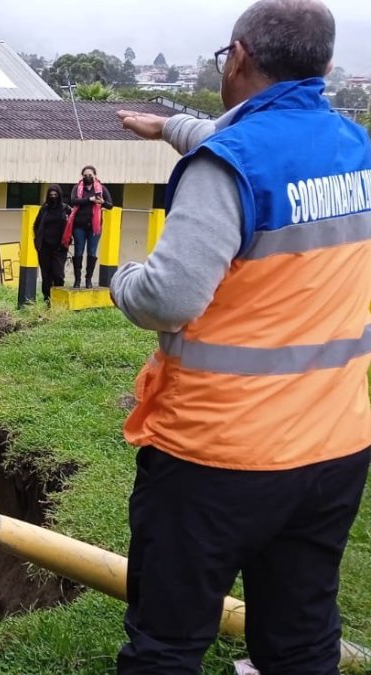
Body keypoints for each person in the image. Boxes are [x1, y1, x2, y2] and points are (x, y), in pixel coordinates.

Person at [109, 1, 371, 672]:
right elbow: (262, 150)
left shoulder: (224, 169)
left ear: (241, 57)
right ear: (327, 68)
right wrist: (170, 126)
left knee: (166, 642)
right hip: (333, 449)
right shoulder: (356, 147)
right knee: (299, 638)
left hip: (216, 457)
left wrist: (122, 278)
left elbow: (169, 298)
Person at [60, 166, 113, 288]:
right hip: (79, 225)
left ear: (95, 175)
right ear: (82, 176)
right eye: (85, 175)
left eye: (90, 175)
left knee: (92, 252)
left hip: (95, 227)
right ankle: (77, 280)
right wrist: (90, 199)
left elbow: (110, 205)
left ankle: (88, 280)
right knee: (78, 251)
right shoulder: (77, 188)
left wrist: (102, 202)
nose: (87, 177)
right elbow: (73, 201)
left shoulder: (102, 189)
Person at [32, 185, 71, 305]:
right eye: (51, 195)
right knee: (46, 275)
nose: (53, 197)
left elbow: (72, 225)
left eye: (55, 195)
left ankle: (58, 301)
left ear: (59, 195)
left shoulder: (66, 209)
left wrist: (68, 240)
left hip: (60, 248)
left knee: (58, 274)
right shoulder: (44, 209)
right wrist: (38, 240)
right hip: (44, 248)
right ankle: (47, 301)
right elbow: (36, 225)